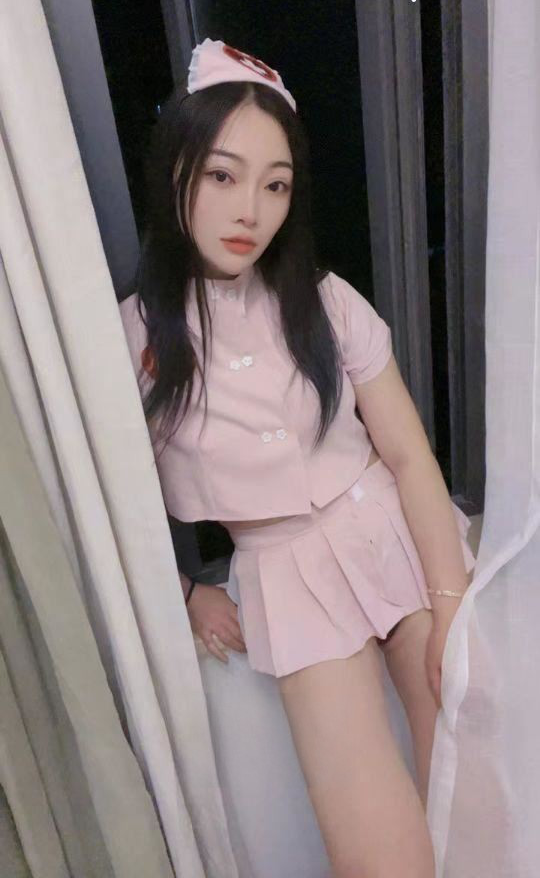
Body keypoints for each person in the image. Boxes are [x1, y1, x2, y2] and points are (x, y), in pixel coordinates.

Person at [119, 37, 476, 878]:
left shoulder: (324, 300)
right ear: (176, 171)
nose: (250, 209)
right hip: (283, 570)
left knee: (473, 775)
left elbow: (408, 454)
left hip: (390, 526)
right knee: (376, 847)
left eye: (275, 184)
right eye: (223, 175)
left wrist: (450, 604)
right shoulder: (132, 339)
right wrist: (186, 591)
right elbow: (105, 502)